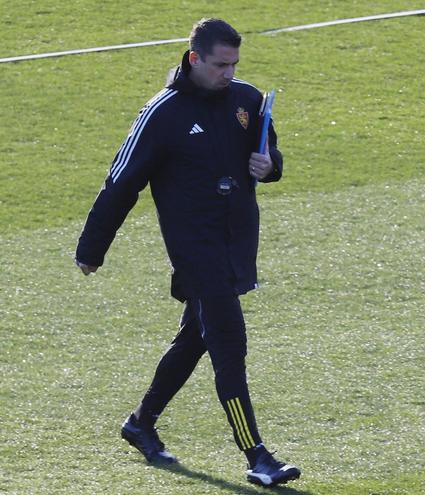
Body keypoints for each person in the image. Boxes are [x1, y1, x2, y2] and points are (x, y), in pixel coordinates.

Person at [74, 18, 300, 487]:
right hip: (196, 252)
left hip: (237, 243)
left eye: (235, 64)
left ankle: (140, 424)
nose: (230, 74)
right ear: (194, 58)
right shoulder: (163, 113)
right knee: (229, 347)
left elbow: (269, 151)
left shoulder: (247, 99)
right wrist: (92, 248)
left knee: (195, 338)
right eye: (221, 65)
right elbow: (120, 184)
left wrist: (271, 165)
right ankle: (256, 455)